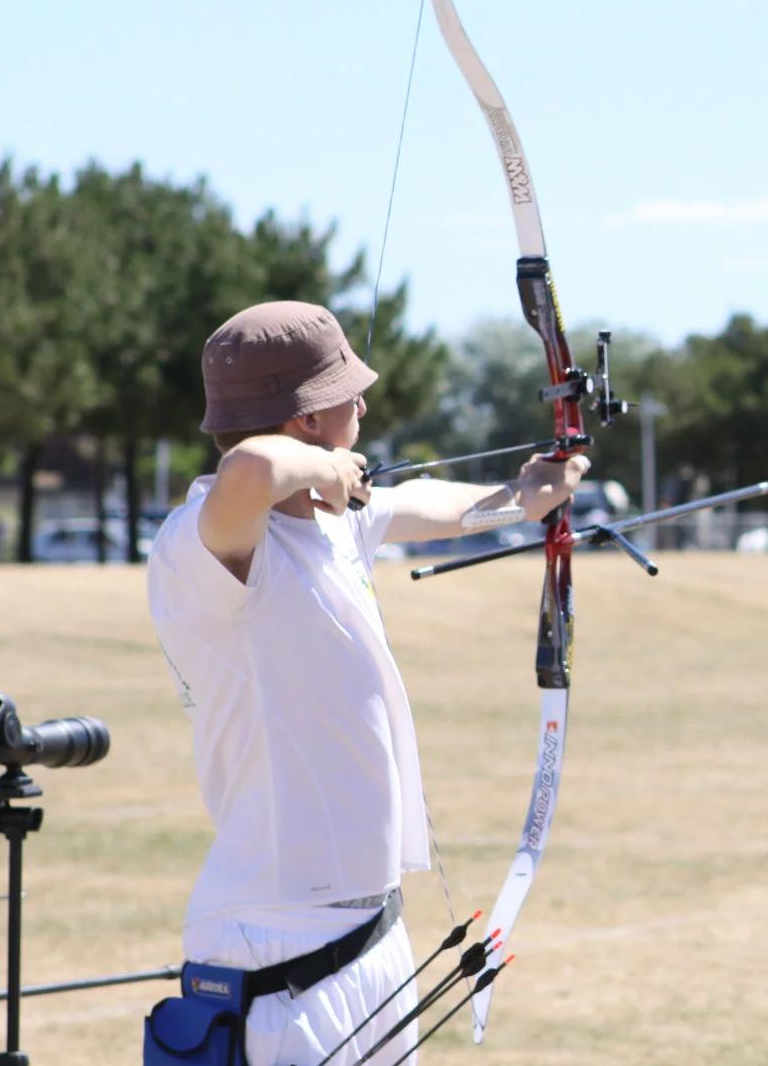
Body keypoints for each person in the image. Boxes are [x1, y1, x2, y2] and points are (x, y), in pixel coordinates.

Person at [145, 300, 589, 1065]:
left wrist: (526, 497)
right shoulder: (201, 547)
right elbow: (252, 469)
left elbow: (425, 505)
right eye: (346, 392)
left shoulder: (327, 519)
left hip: (366, 928)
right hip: (278, 944)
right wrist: (323, 468)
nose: (364, 402)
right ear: (306, 421)